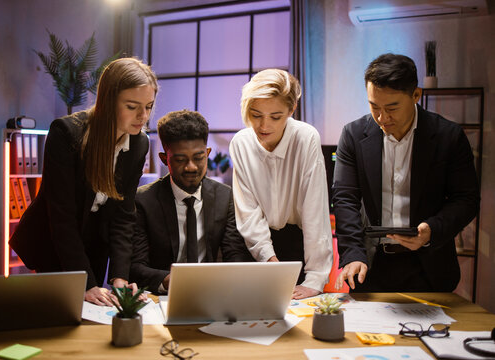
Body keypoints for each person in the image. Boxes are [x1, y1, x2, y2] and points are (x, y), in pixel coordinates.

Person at [9, 57, 158, 305]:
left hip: (94, 243)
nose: (143, 116)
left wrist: (120, 277)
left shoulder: (139, 142)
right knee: (59, 316)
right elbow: (61, 218)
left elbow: (123, 214)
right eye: (132, 107)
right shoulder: (66, 133)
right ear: (109, 102)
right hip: (53, 242)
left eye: (149, 106)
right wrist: (85, 284)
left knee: (95, 313)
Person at [333, 53, 480, 292]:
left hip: (429, 265)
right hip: (370, 264)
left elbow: (466, 199)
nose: (382, 118)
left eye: (392, 108)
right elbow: (345, 198)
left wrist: (432, 230)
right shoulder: (353, 135)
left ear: (416, 95)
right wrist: (352, 253)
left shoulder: (448, 137)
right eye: (374, 107)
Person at [229, 69, 333, 300]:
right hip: (253, 244)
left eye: (275, 117)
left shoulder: (306, 138)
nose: (264, 125)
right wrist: (269, 259)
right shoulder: (241, 143)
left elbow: (314, 211)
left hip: (295, 241)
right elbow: (248, 211)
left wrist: (316, 277)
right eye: (256, 115)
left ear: (292, 109)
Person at [129, 110, 253, 294]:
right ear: (165, 159)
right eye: (180, 160)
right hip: (162, 296)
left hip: (213, 292)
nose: (191, 167)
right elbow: (135, 266)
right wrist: (167, 280)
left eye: (198, 157)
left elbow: (235, 254)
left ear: (208, 153)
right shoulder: (143, 201)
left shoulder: (225, 197)